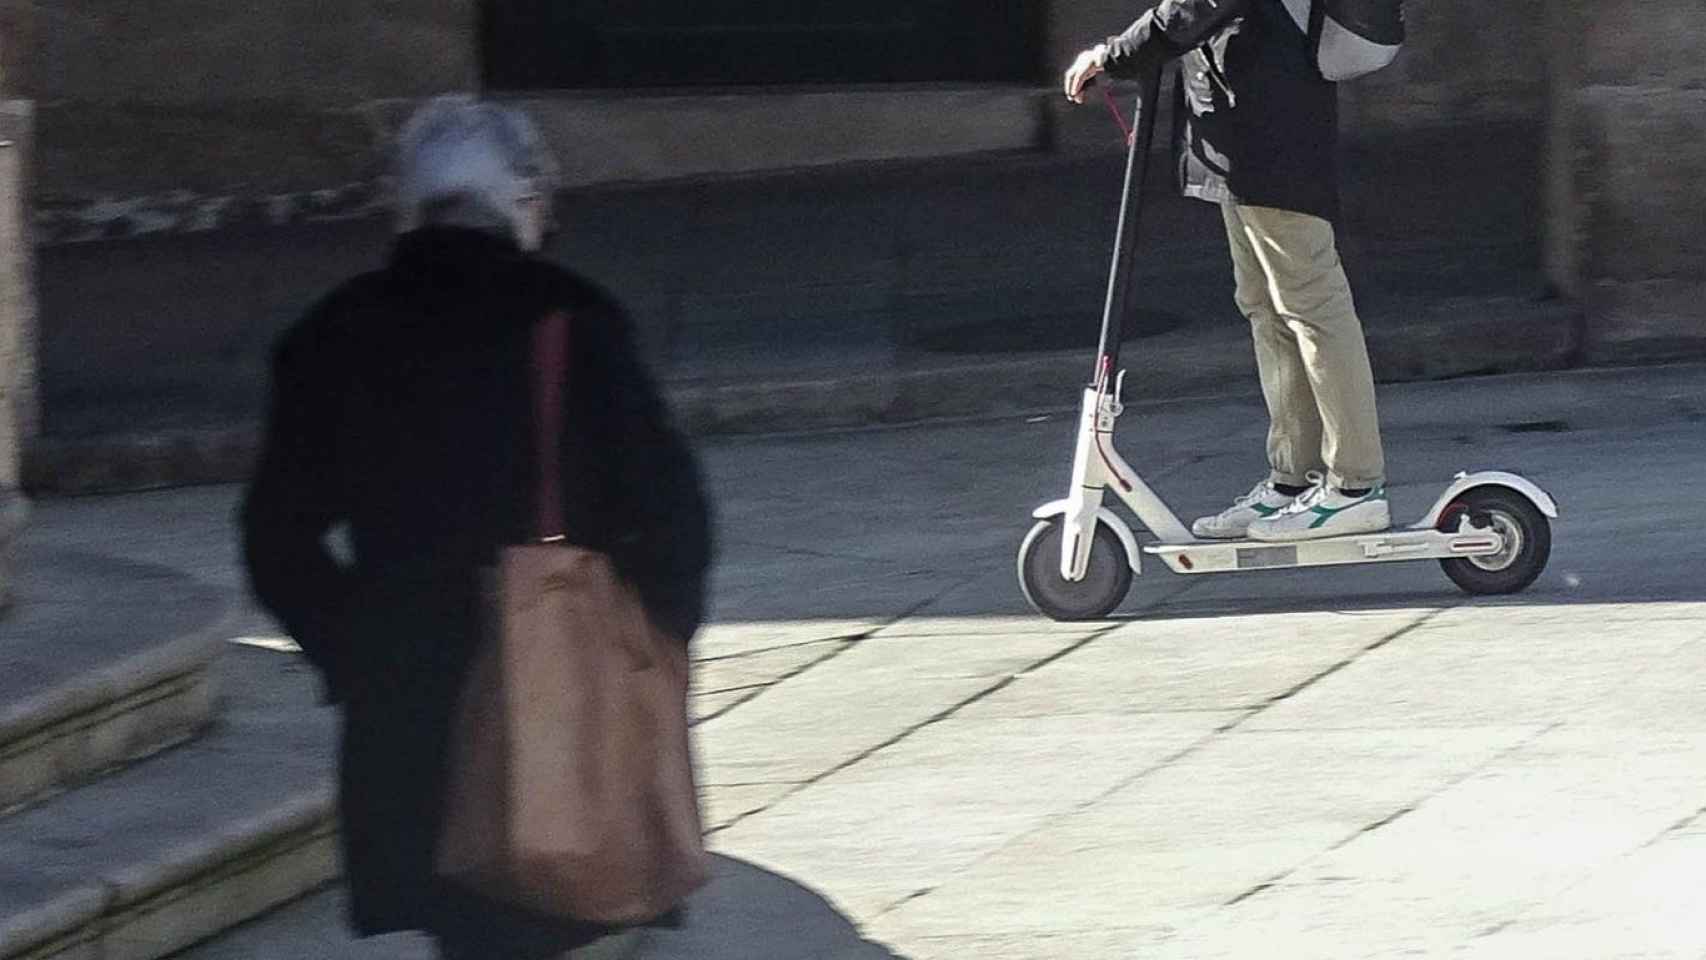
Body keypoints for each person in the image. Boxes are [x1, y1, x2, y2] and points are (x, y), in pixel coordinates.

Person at [241, 95, 713, 960]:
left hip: (406, 693)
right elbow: (674, 517)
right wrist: (645, 639)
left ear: (408, 207)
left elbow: (275, 538)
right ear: (524, 204)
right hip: (550, 685)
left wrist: (351, 647)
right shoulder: (574, 322)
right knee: (531, 917)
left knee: (457, 925)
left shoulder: (333, 334)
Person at [1063, 0, 1391, 542]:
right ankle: (1294, 478)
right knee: (1265, 304)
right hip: (1239, 124)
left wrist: (1117, 53)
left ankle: (1356, 486)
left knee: (1311, 304)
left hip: (1273, 123)